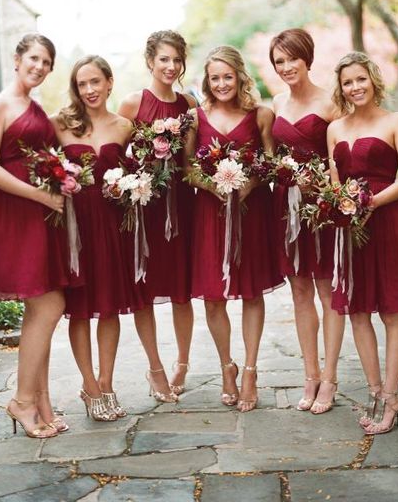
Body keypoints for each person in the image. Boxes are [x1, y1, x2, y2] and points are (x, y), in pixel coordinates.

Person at [327, 51, 398, 434]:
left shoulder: (395, 121)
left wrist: (370, 202)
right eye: (347, 83)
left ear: (372, 79)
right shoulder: (334, 129)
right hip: (351, 228)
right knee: (357, 311)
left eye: (360, 79)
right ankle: (374, 390)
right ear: (341, 89)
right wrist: (342, 205)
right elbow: (336, 182)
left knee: (390, 311)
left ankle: (391, 396)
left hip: (389, 223)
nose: (355, 88)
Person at [0, 33, 72, 438]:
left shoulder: (37, 109)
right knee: (49, 306)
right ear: (17, 59)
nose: (39, 67)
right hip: (14, 215)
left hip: (39, 218)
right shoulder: (0, 105)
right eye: (34, 58)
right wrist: (38, 194)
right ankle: (21, 400)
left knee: (42, 309)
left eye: (47, 62)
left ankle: (41, 400)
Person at [184, 45, 283, 412]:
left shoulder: (261, 115)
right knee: (214, 297)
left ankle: (252, 371)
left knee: (252, 293)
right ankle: (228, 367)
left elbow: (271, 161)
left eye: (228, 76)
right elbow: (188, 169)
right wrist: (213, 185)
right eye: (215, 78)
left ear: (240, 76)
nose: (222, 83)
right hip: (209, 214)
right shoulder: (196, 117)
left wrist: (249, 186)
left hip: (251, 213)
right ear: (207, 81)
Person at [52, 55, 145, 420]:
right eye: (82, 84)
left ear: (109, 82)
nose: (89, 90)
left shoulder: (124, 127)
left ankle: (107, 382)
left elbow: (139, 172)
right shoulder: (60, 125)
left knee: (108, 307)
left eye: (95, 82)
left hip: (110, 227)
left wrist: (130, 188)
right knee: (80, 309)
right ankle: (88, 385)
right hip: (74, 229)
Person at [118, 30, 196, 402]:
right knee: (145, 293)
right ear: (150, 61)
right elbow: (114, 158)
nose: (171, 66)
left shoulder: (189, 104)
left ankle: (182, 363)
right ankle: (155, 368)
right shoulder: (133, 104)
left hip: (182, 206)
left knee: (182, 293)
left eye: (177, 60)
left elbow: (193, 159)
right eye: (164, 59)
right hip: (145, 209)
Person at [270, 28, 345, 414]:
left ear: (307, 58)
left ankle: (330, 378)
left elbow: (343, 160)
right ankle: (310, 374)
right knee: (300, 293)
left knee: (328, 292)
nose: (285, 67)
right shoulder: (276, 104)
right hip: (287, 209)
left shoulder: (332, 103)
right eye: (278, 61)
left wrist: (326, 190)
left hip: (323, 210)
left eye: (291, 59)